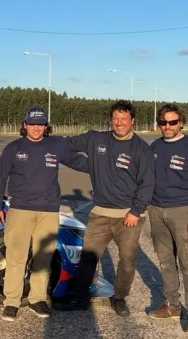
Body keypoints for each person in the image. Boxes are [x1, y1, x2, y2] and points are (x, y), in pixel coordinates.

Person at [55, 100, 155, 317]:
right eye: (116, 119)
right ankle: (79, 298)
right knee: (88, 258)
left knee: (127, 261)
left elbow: (147, 184)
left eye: (124, 119)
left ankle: (119, 298)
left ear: (132, 122)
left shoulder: (141, 149)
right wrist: (45, 141)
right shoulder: (96, 139)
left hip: (129, 216)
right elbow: (67, 144)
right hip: (100, 213)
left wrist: (136, 211)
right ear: (111, 120)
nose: (119, 123)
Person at [0, 107, 88, 322]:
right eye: (32, 124)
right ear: (25, 125)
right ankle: (12, 302)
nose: (36, 128)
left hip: (48, 212)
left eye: (41, 124)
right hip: (20, 211)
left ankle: (37, 299)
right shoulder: (13, 149)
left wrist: (106, 167)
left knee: (43, 259)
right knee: (16, 258)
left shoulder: (56, 146)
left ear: (46, 126)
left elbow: (80, 162)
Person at [147, 104, 188, 334]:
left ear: (181, 122)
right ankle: (172, 304)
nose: (167, 126)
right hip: (156, 210)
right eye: (163, 122)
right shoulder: (154, 147)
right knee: (165, 261)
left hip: (183, 211)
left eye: (172, 122)